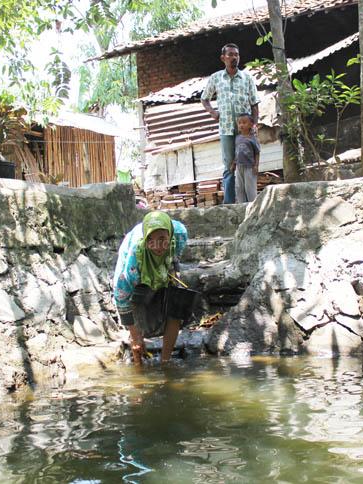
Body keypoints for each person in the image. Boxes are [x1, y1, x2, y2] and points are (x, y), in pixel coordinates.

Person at [113, 211, 188, 365]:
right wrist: (135, 335)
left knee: (176, 306)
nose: (157, 246)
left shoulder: (179, 235)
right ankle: (138, 361)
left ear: (170, 236)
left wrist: (167, 272)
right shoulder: (134, 260)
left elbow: (174, 258)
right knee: (137, 301)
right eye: (151, 240)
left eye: (162, 239)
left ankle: (165, 362)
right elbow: (121, 296)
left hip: (165, 263)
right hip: (139, 263)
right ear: (145, 240)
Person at [201, 43, 261, 204]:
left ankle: (250, 201)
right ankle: (229, 204)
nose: (234, 57)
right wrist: (213, 113)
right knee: (229, 166)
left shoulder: (247, 78)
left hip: (245, 131)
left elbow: (254, 103)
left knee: (248, 164)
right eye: (231, 54)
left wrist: (254, 125)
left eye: (237, 54)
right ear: (223, 58)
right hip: (227, 129)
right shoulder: (216, 78)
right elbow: (204, 98)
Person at [233, 113, 261, 203]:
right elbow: (237, 152)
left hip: (249, 167)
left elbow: (257, 153)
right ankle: (242, 205)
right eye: (239, 123)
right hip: (239, 166)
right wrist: (233, 163)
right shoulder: (237, 138)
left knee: (250, 188)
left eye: (244, 122)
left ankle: (253, 205)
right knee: (239, 187)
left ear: (251, 125)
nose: (241, 125)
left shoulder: (253, 139)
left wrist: (256, 166)